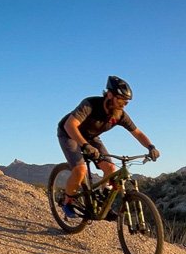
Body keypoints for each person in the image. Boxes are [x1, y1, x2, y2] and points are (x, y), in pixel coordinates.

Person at [57, 75, 160, 217]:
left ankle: (101, 201)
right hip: (69, 133)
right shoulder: (90, 105)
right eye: (121, 100)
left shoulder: (119, 115)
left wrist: (150, 147)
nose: (124, 104)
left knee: (110, 168)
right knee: (80, 170)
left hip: (90, 137)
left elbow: (137, 132)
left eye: (126, 102)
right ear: (110, 95)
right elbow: (70, 125)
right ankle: (67, 201)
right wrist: (85, 145)